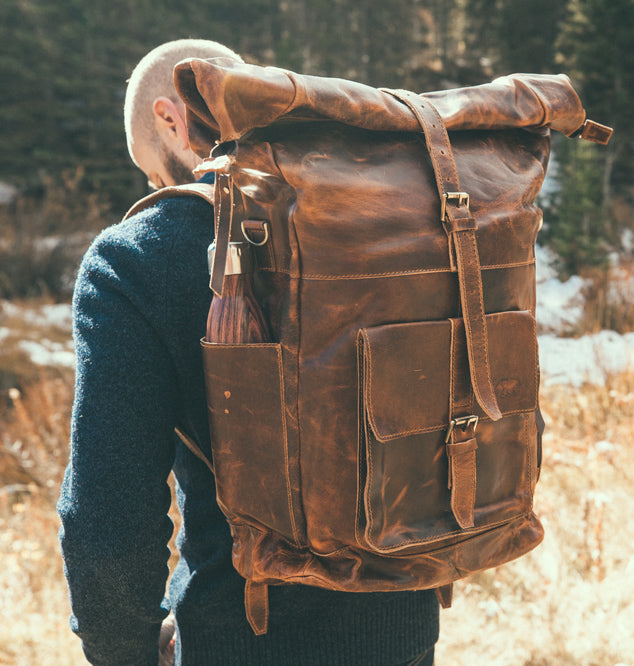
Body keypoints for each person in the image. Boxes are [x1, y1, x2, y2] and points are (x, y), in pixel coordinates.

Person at [58, 39, 440, 666]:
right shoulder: (382, 225)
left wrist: (121, 651)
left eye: (150, 168)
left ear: (171, 119)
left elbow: (109, 516)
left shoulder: (134, 260)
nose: (155, 186)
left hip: (237, 640)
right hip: (403, 635)